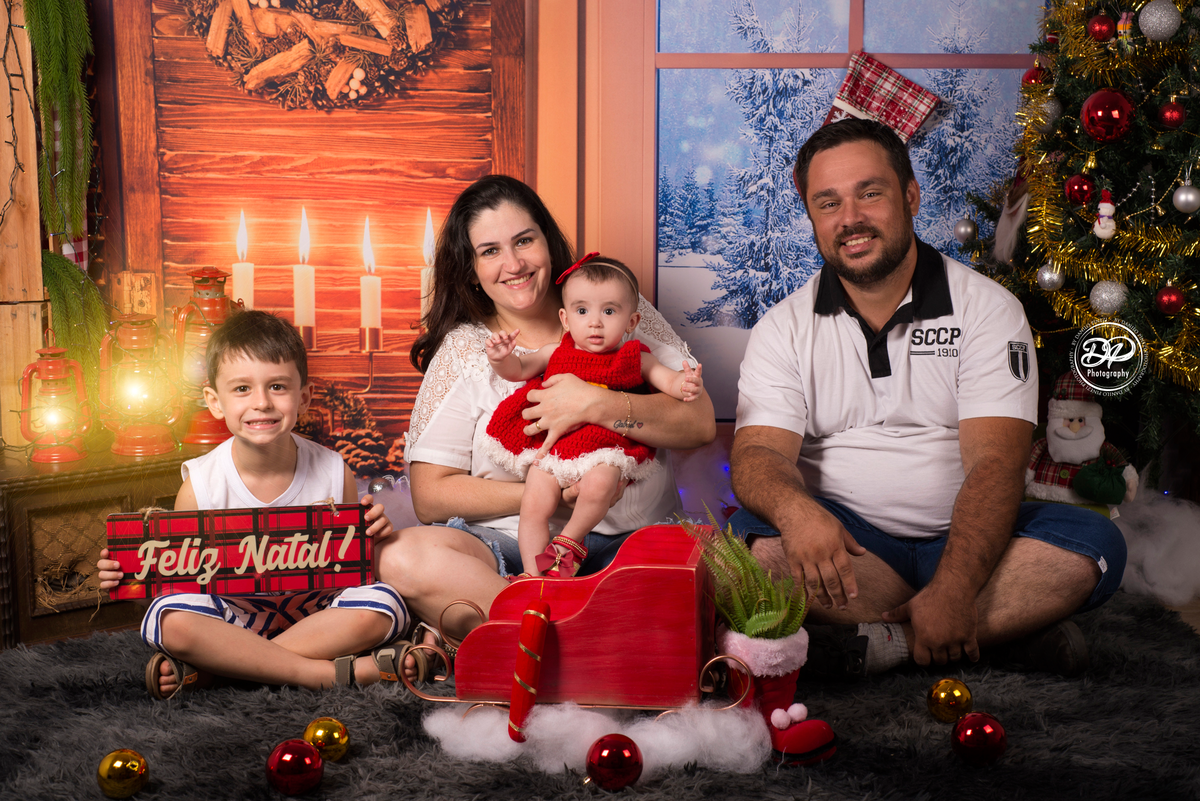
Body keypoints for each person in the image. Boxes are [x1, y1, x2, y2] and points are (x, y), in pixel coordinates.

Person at [728, 118, 1127, 679]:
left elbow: (997, 463)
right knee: (749, 544)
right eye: (828, 203)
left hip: (969, 542)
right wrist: (797, 515)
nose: (850, 220)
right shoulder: (782, 327)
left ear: (910, 195)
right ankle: (995, 636)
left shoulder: (988, 309)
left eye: (870, 192)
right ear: (812, 217)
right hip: (850, 547)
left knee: (1095, 543)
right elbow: (757, 457)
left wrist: (957, 583)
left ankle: (887, 641)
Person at [374, 175, 716, 662]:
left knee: (712, 571)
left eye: (524, 241)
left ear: (548, 244)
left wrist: (596, 404)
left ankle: (534, 638)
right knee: (399, 555)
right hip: (509, 552)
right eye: (490, 251)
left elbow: (699, 423)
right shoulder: (466, 351)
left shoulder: (611, 306)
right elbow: (430, 496)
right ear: (471, 271)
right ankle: (586, 639)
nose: (513, 264)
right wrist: (552, 488)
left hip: (629, 543)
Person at [97, 310, 413, 699]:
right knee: (173, 619)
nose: (261, 403)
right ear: (215, 402)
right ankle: (325, 674)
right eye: (242, 389)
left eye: (277, 386)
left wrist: (371, 537)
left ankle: (225, 670)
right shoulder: (200, 484)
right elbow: (179, 579)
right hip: (235, 618)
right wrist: (129, 568)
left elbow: (349, 569)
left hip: (316, 615)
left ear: (304, 397)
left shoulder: (333, 470)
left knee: (384, 603)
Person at [482, 253, 704, 579]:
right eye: (582, 310)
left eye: (609, 311)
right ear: (566, 319)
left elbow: (666, 379)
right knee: (534, 501)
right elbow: (518, 370)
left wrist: (684, 383)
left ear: (631, 322)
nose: (595, 322)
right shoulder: (555, 352)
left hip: (605, 447)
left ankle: (569, 543)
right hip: (557, 448)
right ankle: (532, 574)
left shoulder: (634, 357)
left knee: (600, 484)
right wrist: (501, 357)